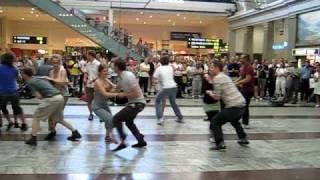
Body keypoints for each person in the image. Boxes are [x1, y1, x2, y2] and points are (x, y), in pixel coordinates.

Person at [22, 68, 81, 146]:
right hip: (60, 97)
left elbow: (39, 96)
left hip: (52, 99)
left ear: (25, 75)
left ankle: (33, 138)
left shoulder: (30, 82)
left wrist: (36, 95)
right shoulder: (37, 78)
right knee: (59, 119)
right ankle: (75, 132)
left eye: (22, 74)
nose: (21, 75)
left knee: (36, 117)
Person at [207, 61, 249, 151]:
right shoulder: (225, 76)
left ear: (217, 68)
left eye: (211, 67)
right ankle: (243, 138)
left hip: (233, 106)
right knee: (234, 121)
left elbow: (217, 97)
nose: (210, 69)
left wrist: (210, 93)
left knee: (215, 122)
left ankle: (220, 143)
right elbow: (223, 91)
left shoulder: (217, 78)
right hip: (242, 104)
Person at [112, 58, 147, 151]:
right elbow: (116, 89)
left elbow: (136, 93)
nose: (111, 66)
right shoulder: (120, 77)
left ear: (116, 67)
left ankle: (123, 140)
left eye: (113, 65)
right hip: (134, 103)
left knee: (116, 118)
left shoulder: (128, 76)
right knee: (129, 122)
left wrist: (124, 94)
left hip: (138, 103)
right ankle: (141, 140)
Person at [44, 54, 72, 140]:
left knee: (55, 115)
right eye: (53, 62)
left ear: (60, 62)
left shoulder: (63, 71)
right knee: (52, 114)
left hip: (63, 95)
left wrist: (51, 79)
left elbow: (61, 83)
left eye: (57, 62)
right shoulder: (51, 71)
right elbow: (51, 84)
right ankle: (52, 130)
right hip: (54, 94)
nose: (55, 64)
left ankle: (53, 131)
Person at [93, 64, 121, 143]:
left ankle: (107, 136)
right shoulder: (97, 82)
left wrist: (122, 84)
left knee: (109, 120)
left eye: (107, 71)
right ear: (99, 72)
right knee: (110, 119)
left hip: (105, 104)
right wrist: (117, 94)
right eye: (104, 71)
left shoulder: (106, 80)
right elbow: (105, 94)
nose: (106, 73)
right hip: (97, 106)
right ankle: (110, 137)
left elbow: (115, 87)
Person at [0, 52, 27, 131]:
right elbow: (19, 79)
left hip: (2, 92)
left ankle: (8, 122)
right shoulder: (14, 69)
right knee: (17, 108)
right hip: (14, 92)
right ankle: (24, 124)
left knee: (3, 107)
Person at [153, 56, 184, 125]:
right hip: (174, 86)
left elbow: (154, 77)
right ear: (168, 62)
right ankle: (180, 117)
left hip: (166, 87)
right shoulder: (170, 67)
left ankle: (160, 118)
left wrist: (155, 85)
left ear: (161, 62)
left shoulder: (159, 68)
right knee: (173, 102)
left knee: (157, 101)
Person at [235, 54, 254, 128]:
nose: (240, 59)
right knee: (242, 105)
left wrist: (237, 83)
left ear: (246, 59)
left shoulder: (249, 67)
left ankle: (245, 123)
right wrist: (234, 81)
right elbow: (241, 76)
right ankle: (242, 119)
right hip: (243, 89)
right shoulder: (243, 67)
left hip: (248, 90)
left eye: (242, 58)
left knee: (245, 106)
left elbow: (247, 79)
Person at [84, 50, 101, 121]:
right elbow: (86, 72)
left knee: (98, 101)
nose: (86, 56)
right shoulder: (88, 64)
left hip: (97, 85)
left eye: (87, 55)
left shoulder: (98, 64)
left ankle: (100, 115)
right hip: (88, 85)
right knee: (89, 101)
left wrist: (93, 80)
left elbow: (100, 75)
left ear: (90, 55)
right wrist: (85, 78)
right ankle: (91, 114)